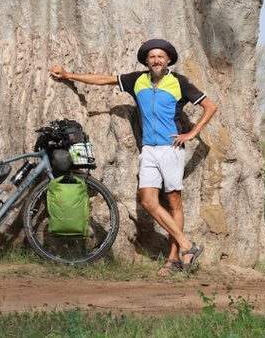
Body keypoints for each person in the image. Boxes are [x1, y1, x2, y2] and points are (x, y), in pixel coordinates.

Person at [50, 38, 217, 275]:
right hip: (148, 148)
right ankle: (187, 245)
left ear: (168, 59)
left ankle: (173, 259)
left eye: (161, 56)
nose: (156, 60)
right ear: (147, 61)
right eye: (152, 57)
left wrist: (191, 133)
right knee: (149, 201)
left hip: (171, 149)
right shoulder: (137, 80)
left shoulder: (179, 82)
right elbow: (103, 80)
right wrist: (69, 75)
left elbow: (210, 107)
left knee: (173, 201)